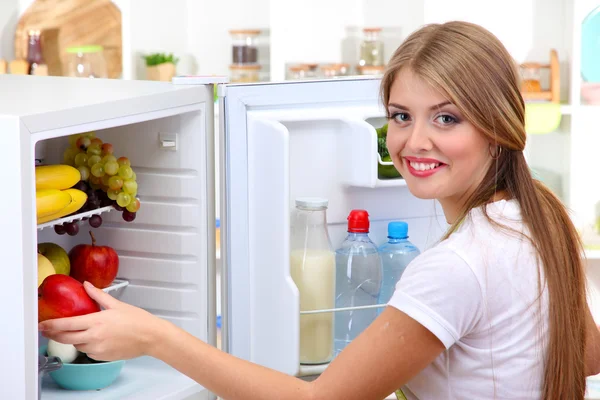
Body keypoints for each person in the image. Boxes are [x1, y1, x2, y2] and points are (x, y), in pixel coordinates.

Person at [39, 21, 600, 400]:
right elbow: (588, 354)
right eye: (401, 115)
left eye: (446, 118)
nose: (414, 141)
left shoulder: (457, 266)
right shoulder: (540, 219)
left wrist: (155, 337)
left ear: (499, 126)